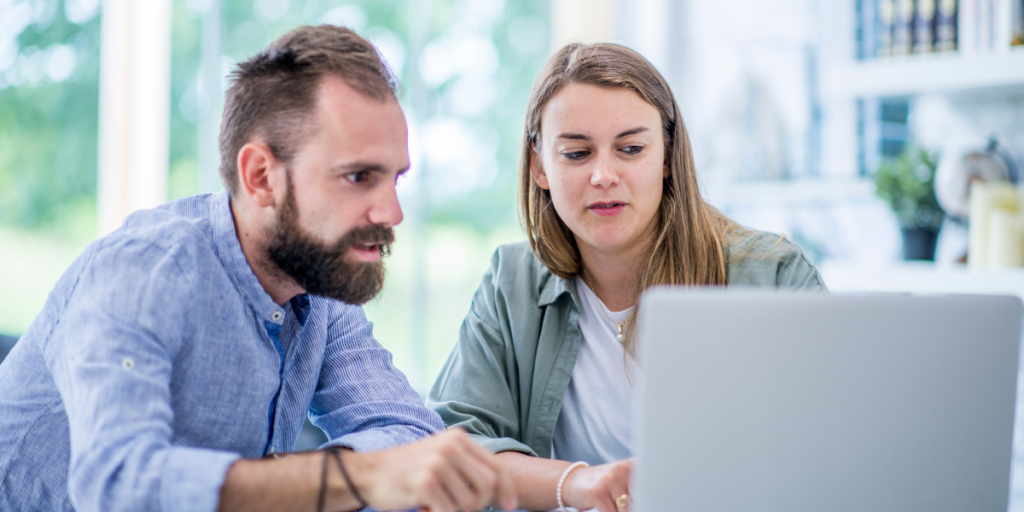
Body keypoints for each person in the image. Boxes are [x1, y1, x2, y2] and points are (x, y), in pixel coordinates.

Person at [0, 26, 517, 512]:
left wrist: (300, 478)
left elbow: (407, 430)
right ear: (261, 176)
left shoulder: (319, 287)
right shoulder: (145, 271)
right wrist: (350, 478)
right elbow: (119, 482)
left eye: (394, 179)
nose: (392, 213)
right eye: (359, 177)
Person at [427, 42, 827, 512]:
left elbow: (833, 448)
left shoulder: (772, 275)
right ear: (540, 166)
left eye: (631, 149)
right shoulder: (511, 281)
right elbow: (456, 448)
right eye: (576, 153)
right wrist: (577, 483)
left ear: (667, 156)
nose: (603, 175)